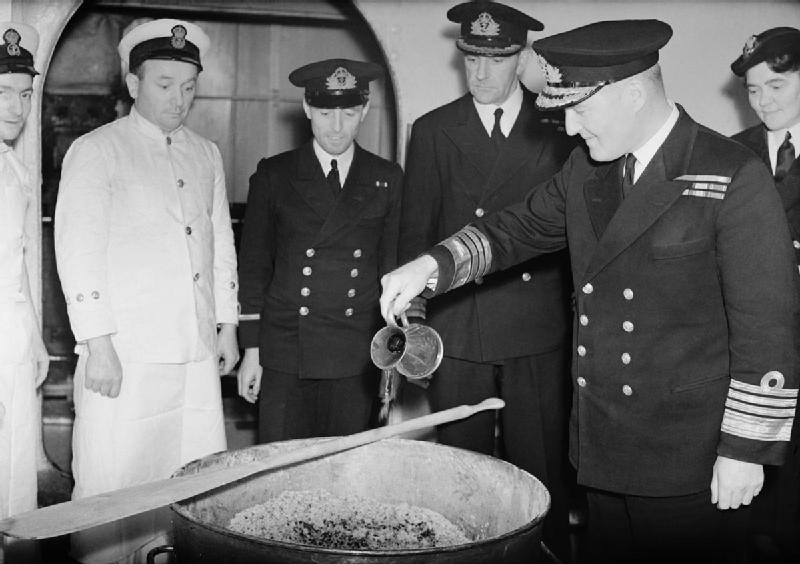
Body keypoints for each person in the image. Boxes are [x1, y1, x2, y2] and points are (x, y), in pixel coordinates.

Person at [380, 19, 799, 564]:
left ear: (631, 94)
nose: (571, 128)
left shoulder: (728, 175)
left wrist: (745, 450)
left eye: (580, 108)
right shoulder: (587, 171)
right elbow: (515, 229)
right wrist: (431, 266)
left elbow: (767, 325)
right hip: (604, 444)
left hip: (688, 457)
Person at [55, 18, 239, 563]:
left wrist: (226, 323)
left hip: (195, 348)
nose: (178, 100)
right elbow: (77, 251)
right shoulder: (98, 150)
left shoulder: (205, 153)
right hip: (126, 354)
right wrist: (99, 343)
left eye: (188, 87)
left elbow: (219, 241)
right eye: (163, 85)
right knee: (119, 478)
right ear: (132, 84)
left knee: (191, 475)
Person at [399, 1, 575, 558]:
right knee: (462, 472)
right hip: (460, 327)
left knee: (540, 469)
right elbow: (416, 233)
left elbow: (573, 235)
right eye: (470, 59)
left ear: (521, 58)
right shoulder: (432, 130)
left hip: (537, 328)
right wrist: (415, 330)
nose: (479, 74)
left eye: (495, 61)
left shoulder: (559, 126)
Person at [236, 59, 402, 442]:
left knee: (346, 476)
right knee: (280, 470)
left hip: (356, 353)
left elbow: (393, 269)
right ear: (308, 109)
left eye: (348, 112)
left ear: (365, 111)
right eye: (326, 113)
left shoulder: (386, 179)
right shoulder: (274, 175)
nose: (337, 127)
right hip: (287, 351)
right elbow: (254, 267)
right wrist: (252, 350)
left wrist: (392, 359)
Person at [730, 26, 800, 561]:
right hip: (757, 338)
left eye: (775, 86)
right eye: (753, 91)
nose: (762, 102)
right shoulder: (734, 155)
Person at [0, 20, 48, 520]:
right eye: (3, 93)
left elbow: (17, 263)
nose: (17, 107)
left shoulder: (13, 167)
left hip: (11, 335)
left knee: (13, 472)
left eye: (26, 94)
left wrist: (33, 336)